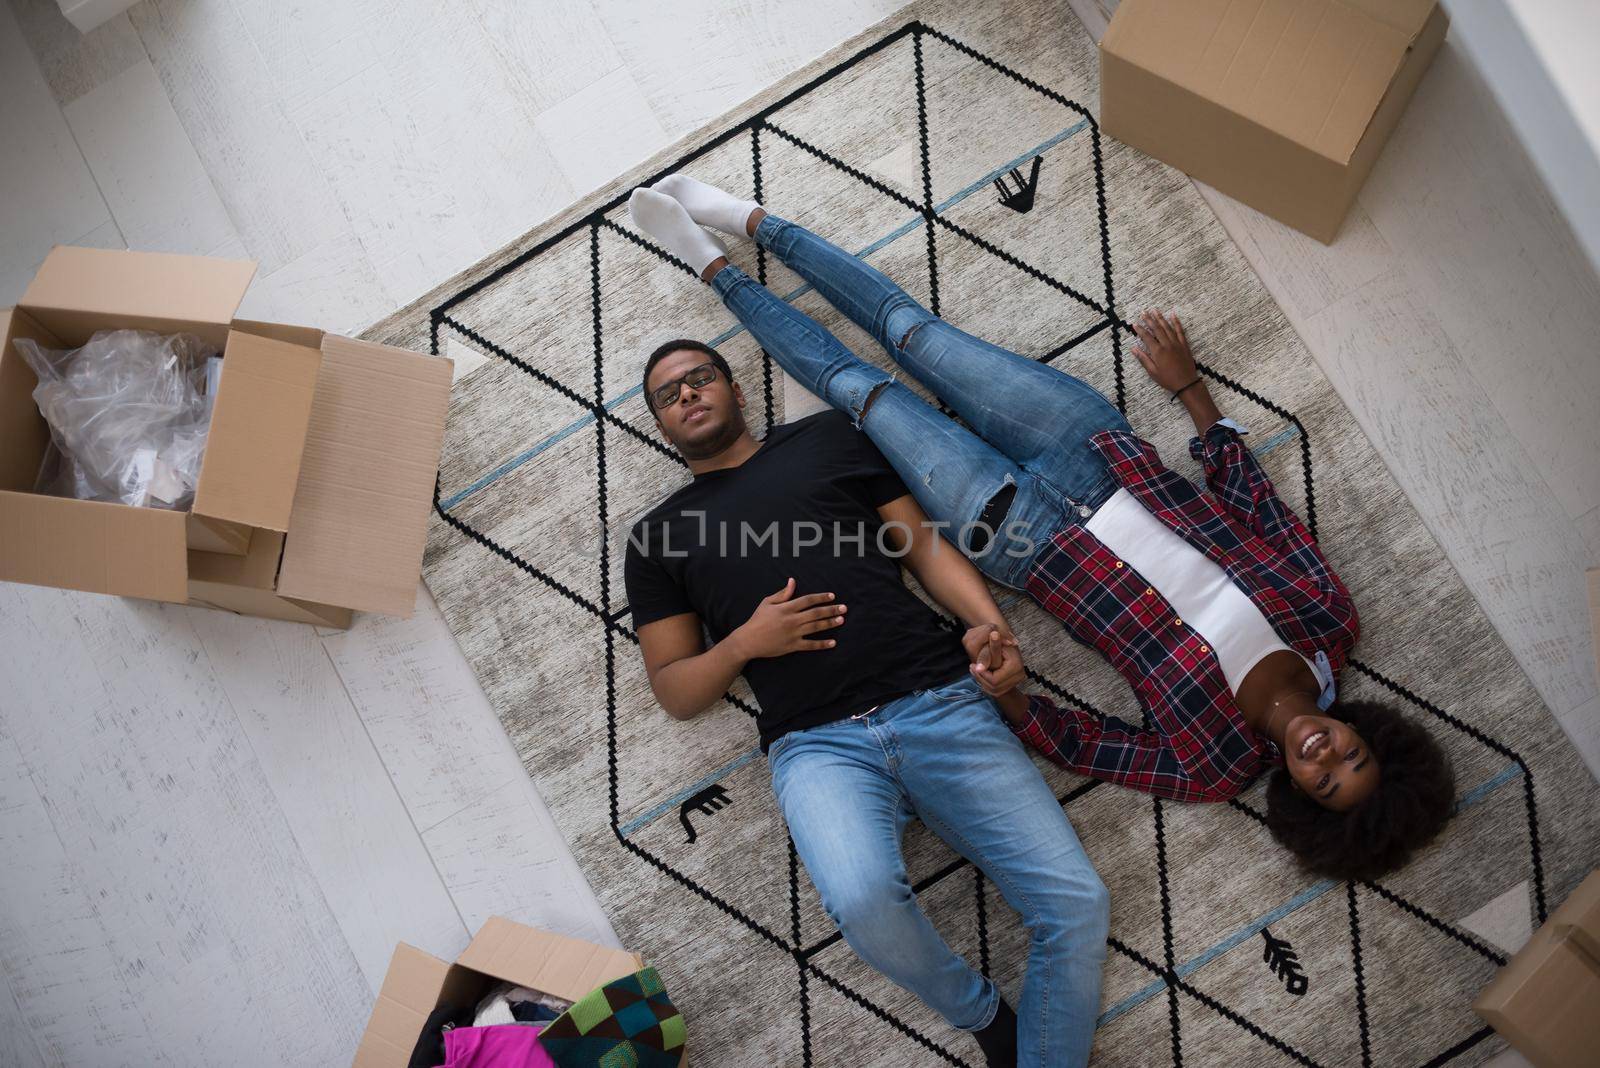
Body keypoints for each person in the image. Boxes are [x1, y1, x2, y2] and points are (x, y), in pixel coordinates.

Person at [629, 174, 1455, 889]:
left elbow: (1080, 742)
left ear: (1297, 796)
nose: (1325, 755)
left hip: (1021, 537)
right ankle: (747, 218)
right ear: (1369, 733)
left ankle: (714, 271)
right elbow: (1258, 507)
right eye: (1351, 756)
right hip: (1098, 452)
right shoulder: (1327, 620)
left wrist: (1007, 684)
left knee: (860, 392)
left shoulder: (1211, 764)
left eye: (1321, 782)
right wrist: (1192, 391)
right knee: (911, 329)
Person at [622, 232, 1108, 1066]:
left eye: (699, 376)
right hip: (818, 746)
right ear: (663, 424)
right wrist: (745, 641)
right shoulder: (659, 535)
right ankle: (984, 1017)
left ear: (734, 387)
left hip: (938, 697)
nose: (688, 394)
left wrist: (987, 624)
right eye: (668, 395)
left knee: (1079, 904)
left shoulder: (826, 442)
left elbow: (920, 547)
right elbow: (674, 688)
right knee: (861, 900)